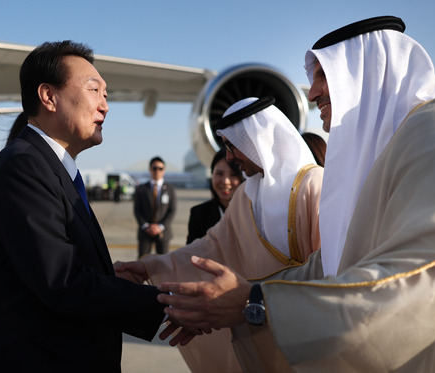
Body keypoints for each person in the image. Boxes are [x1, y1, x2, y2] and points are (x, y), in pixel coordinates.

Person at [156, 16, 435, 372]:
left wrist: (257, 302)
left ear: (365, 72)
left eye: (323, 75)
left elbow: (425, 272)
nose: (312, 93)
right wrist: (231, 298)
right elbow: (330, 266)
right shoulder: (379, 156)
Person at [0, 40, 194, 373]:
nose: (105, 106)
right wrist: (170, 306)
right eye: (94, 90)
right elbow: (62, 281)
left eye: (106, 95)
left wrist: (107, 277)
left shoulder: (51, 169)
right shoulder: (23, 167)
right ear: (48, 96)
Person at [116, 96, 323, 372]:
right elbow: (210, 246)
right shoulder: (247, 195)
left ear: (257, 138)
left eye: (232, 145)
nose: (230, 157)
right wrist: (149, 265)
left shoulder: (314, 185)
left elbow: (328, 272)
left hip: (307, 335)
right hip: (257, 330)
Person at [186, 148, 244, 244]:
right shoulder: (198, 214)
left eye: (233, 174)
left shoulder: (253, 214)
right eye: (219, 174)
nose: (225, 181)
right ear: (212, 175)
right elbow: (189, 253)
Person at [133, 156, 177, 257]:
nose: (157, 171)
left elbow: (172, 210)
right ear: (150, 169)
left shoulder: (170, 189)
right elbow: (137, 210)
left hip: (163, 232)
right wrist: (146, 226)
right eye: (154, 168)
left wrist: (160, 227)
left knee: (163, 264)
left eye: (160, 168)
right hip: (145, 232)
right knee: (142, 262)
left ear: (164, 170)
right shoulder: (141, 189)